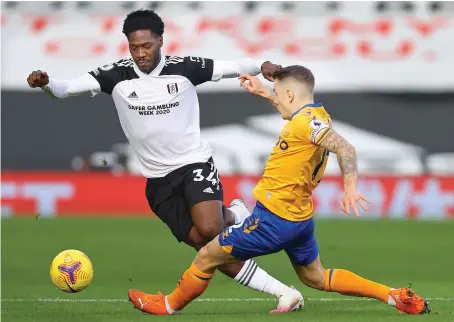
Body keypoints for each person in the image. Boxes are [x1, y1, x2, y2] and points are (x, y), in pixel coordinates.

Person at [26, 9, 303, 311]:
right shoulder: (114, 75)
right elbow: (65, 89)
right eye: (134, 47)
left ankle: (232, 217)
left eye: (147, 46)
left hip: (194, 164)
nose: (141, 53)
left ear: (160, 41)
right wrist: (46, 83)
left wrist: (262, 65)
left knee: (211, 230)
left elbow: (233, 66)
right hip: (157, 182)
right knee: (206, 246)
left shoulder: (185, 68)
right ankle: (282, 290)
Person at [127, 65, 431, 315]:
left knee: (207, 255)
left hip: (274, 219)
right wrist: (264, 93)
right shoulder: (315, 115)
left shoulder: (307, 123)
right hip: (299, 218)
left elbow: (345, 147)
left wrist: (350, 187)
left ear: (290, 93)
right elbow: (295, 115)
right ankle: (393, 296)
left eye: (279, 94)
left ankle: (168, 306)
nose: (278, 99)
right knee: (315, 276)